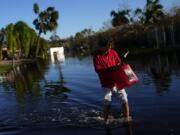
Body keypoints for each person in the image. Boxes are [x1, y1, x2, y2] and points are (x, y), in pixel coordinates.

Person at [93, 37, 131, 124]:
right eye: (106, 47)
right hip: (106, 82)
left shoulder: (113, 52)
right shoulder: (96, 56)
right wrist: (112, 68)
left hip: (117, 80)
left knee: (124, 99)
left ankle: (127, 120)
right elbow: (98, 70)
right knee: (107, 101)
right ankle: (106, 121)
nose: (108, 49)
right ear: (100, 47)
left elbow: (119, 62)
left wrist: (122, 64)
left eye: (109, 47)